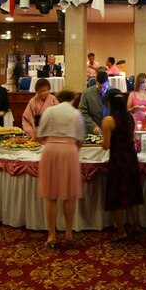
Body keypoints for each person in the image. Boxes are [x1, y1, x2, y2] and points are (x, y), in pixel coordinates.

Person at [36, 89, 85, 247]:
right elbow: (80, 139)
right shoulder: (75, 113)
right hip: (69, 151)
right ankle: (69, 233)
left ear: (57, 99)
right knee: (69, 195)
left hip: (51, 150)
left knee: (51, 195)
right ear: (72, 99)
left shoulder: (49, 111)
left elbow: (40, 135)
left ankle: (51, 235)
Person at [101, 88, 144, 242]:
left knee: (117, 195)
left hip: (117, 159)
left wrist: (102, 140)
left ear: (110, 103)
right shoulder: (130, 117)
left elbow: (106, 145)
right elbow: (132, 139)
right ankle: (136, 225)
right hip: (131, 157)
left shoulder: (108, 120)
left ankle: (120, 231)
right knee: (133, 192)